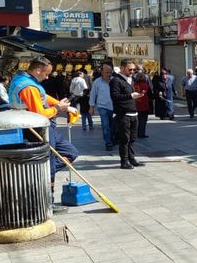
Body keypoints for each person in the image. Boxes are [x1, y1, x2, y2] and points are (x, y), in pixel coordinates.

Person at [8, 57, 79, 213]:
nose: (47, 77)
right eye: (46, 74)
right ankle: (47, 199)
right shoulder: (28, 87)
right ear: (38, 70)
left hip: (43, 127)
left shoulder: (26, 80)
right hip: (36, 129)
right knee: (50, 163)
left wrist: (65, 107)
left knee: (70, 153)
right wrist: (58, 108)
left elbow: (43, 96)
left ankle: (42, 173)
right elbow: (39, 113)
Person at [110, 59, 145, 170]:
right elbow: (115, 96)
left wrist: (137, 96)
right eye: (130, 69)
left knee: (132, 138)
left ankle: (132, 159)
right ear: (122, 68)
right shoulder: (116, 80)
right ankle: (124, 161)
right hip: (123, 114)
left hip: (133, 113)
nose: (132, 71)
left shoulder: (131, 80)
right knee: (124, 139)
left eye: (134, 69)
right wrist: (131, 96)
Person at [89, 63, 116, 151]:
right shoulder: (97, 82)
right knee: (105, 125)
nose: (108, 74)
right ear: (102, 72)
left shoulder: (114, 80)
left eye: (110, 72)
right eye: (106, 72)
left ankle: (112, 139)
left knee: (113, 126)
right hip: (102, 106)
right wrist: (91, 107)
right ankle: (108, 143)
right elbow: (93, 94)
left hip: (114, 107)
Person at [134, 72, 152, 138]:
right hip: (144, 105)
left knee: (136, 120)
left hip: (135, 104)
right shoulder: (146, 86)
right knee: (143, 120)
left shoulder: (133, 85)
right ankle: (141, 133)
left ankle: (135, 133)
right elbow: (150, 96)